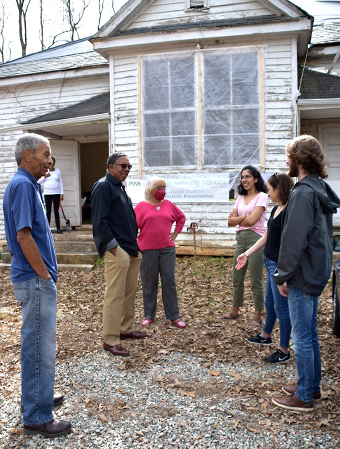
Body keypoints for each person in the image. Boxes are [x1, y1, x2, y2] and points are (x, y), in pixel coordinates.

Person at [3, 133, 71, 438]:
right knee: (39, 346)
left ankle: (38, 397)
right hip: (34, 280)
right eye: (46, 154)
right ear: (28, 155)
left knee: (39, 344)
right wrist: (44, 274)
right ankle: (37, 416)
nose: (49, 160)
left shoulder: (27, 186)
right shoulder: (22, 186)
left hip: (34, 278)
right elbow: (23, 236)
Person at [272, 135, 340, 412]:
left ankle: (304, 397)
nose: (286, 161)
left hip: (302, 273)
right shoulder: (320, 188)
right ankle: (311, 386)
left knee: (301, 336)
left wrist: (283, 275)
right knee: (309, 333)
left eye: (289, 156)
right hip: (317, 269)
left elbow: (294, 239)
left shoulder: (302, 193)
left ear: (299, 159)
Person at [91, 153, 146, 357]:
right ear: (110, 166)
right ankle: (111, 339)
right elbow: (99, 221)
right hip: (117, 250)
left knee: (128, 292)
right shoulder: (103, 186)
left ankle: (125, 329)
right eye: (123, 165)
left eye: (129, 166)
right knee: (115, 295)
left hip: (131, 249)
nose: (126, 169)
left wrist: (135, 246)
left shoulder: (119, 188)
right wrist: (114, 248)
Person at [236, 173, 294, 363]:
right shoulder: (277, 209)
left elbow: (290, 244)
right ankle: (266, 335)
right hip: (269, 262)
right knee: (270, 303)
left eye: (270, 189)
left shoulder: (289, 212)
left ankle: (284, 350)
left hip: (279, 266)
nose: (268, 193)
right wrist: (247, 253)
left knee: (281, 308)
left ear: (279, 189)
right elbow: (266, 237)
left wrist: (284, 274)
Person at [135, 177, 186, 329]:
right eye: (158, 187)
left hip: (167, 250)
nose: (162, 190)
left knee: (169, 282)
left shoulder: (169, 205)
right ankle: (149, 315)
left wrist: (176, 233)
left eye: (164, 187)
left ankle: (174, 316)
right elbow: (132, 225)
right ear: (150, 189)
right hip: (147, 250)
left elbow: (181, 217)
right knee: (149, 283)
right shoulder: (141, 207)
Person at [221, 165, 268, 330]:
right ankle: (235, 311)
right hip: (241, 239)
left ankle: (257, 316)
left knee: (255, 279)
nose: (244, 180)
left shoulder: (262, 196)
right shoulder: (240, 197)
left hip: (256, 239)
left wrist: (240, 219)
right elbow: (229, 222)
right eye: (242, 177)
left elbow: (252, 221)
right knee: (237, 277)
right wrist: (244, 217)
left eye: (248, 176)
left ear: (255, 179)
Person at [38, 156, 64, 234]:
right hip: (47, 193)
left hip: (56, 193)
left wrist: (61, 193)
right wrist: (45, 176)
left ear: (54, 163)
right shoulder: (45, 171)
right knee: (48, 211)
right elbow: (38, 182)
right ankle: (47, 229)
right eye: (50, 163)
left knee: (56, 211)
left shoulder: (58, 171)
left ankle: (58, 228)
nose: (51, 165)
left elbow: (60, 183)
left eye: (53, 163)